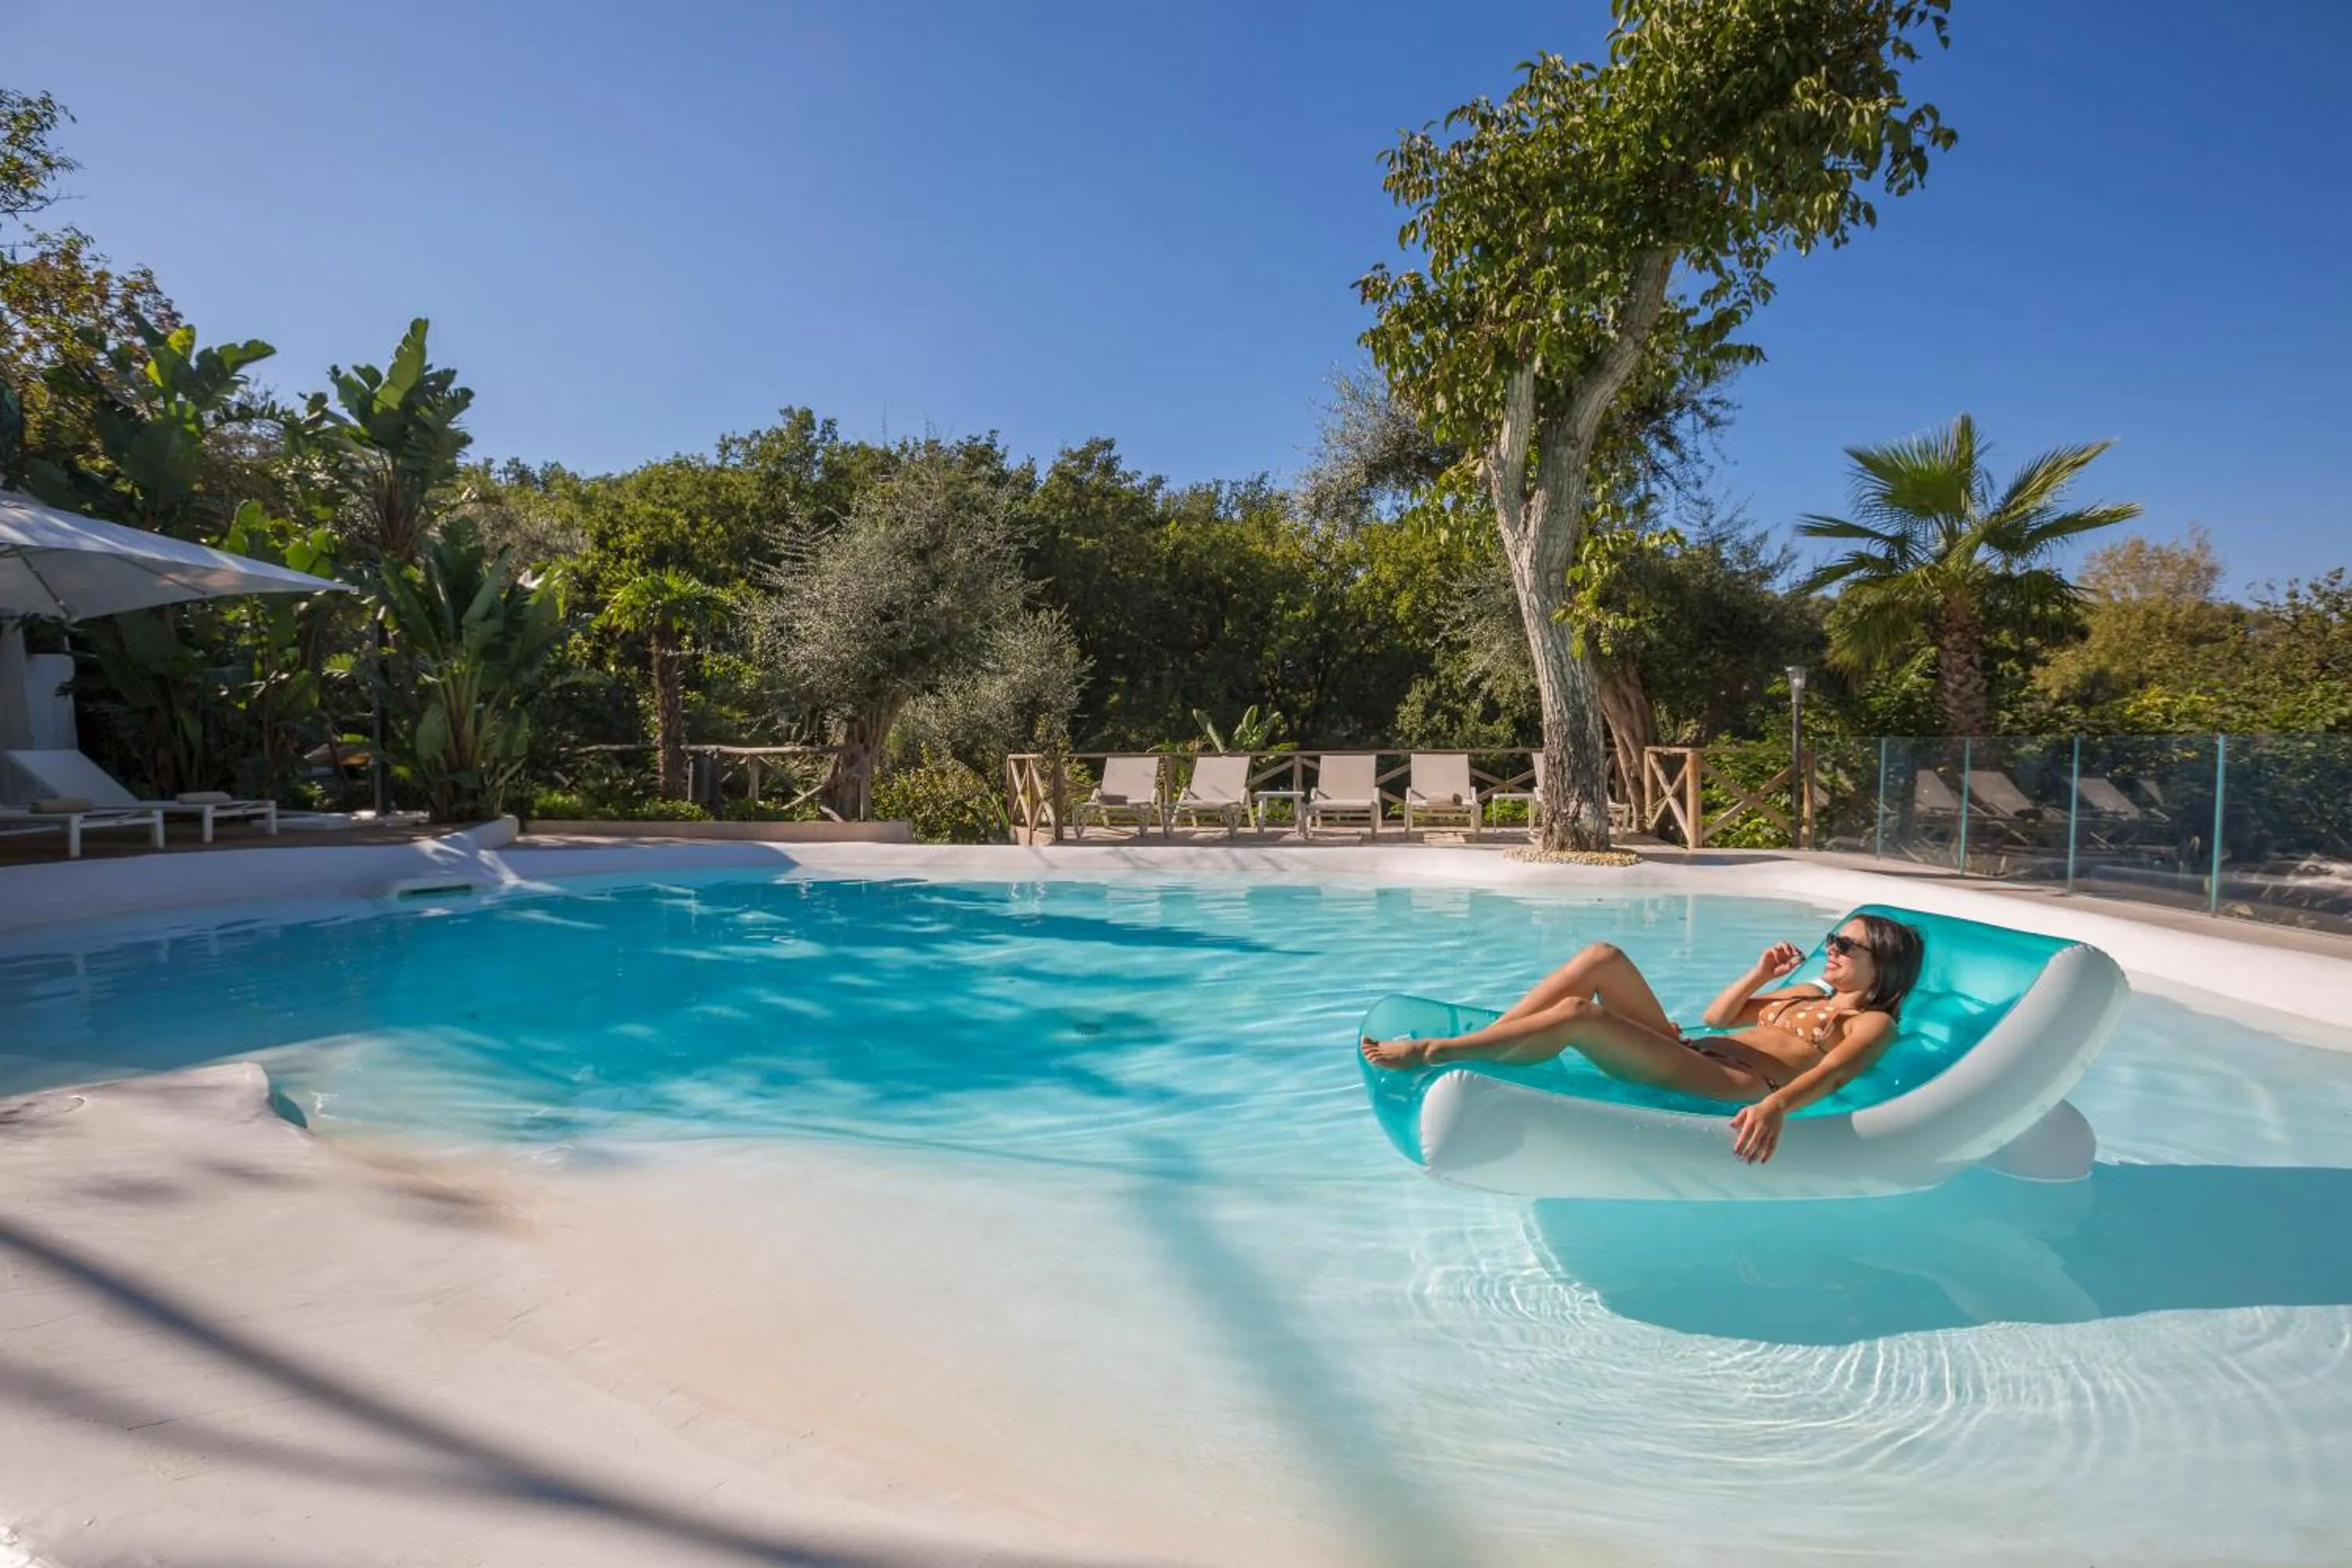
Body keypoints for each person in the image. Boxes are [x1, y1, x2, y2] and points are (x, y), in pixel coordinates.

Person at [1360, 914, 1926, 1164]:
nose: (1832, 948)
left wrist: (1774, 1107)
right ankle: (1494, 1038)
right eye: (1833, 938)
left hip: (1738, 1083)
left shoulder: (1872, 1022)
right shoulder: (1805, 993)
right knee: (1602, 958)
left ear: (1885, 968)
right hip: (1697, 1052)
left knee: (1580, 1014)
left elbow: (1833, 1075)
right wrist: (1762, 977)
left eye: (1846, 946)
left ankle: (1438, 1051)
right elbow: (1721, 1014)